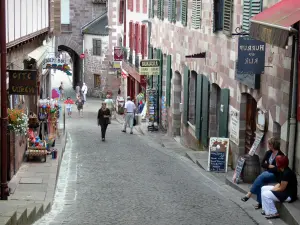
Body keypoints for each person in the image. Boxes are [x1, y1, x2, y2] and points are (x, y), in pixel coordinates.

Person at [241, 137, 284, 209]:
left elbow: (279, 169)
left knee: (262, 176)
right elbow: (262, 164)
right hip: (268, 173)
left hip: (276, 175)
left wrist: (270, 167)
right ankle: (260, 203)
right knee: (261, 181)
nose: (268, 145)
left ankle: (249, 194)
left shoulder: (281, 155)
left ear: (273, 145)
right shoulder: (268, 153)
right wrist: (269, 166)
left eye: (269, 144)